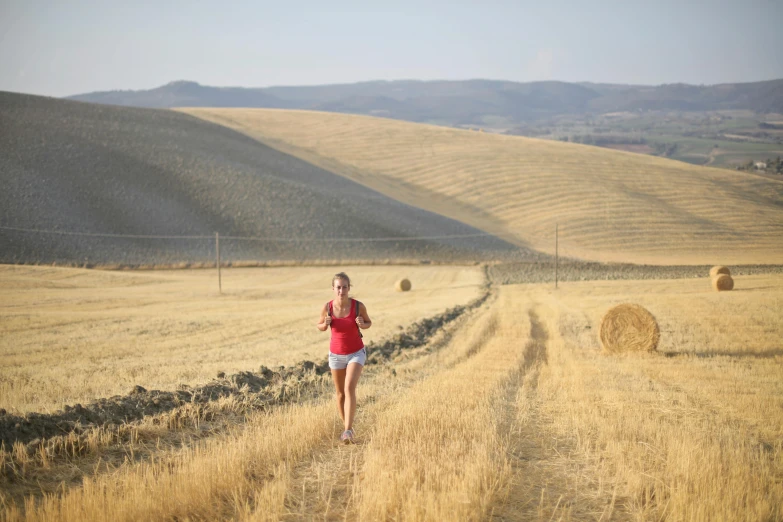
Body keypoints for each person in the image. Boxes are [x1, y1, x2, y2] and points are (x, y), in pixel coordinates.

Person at [317, 272, 372, 444]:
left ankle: (347, 430)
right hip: (336, 355)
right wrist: (325, 324)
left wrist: (363, 324)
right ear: (333, 289)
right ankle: (346, 427)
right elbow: (319, 326)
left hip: (356, 352)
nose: (342, 291)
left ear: (349, 288)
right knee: (340, 394)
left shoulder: (358, 306)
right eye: (338, 287)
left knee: (349, 388)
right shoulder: (328, 307)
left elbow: (369, 322)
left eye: (345, 287)